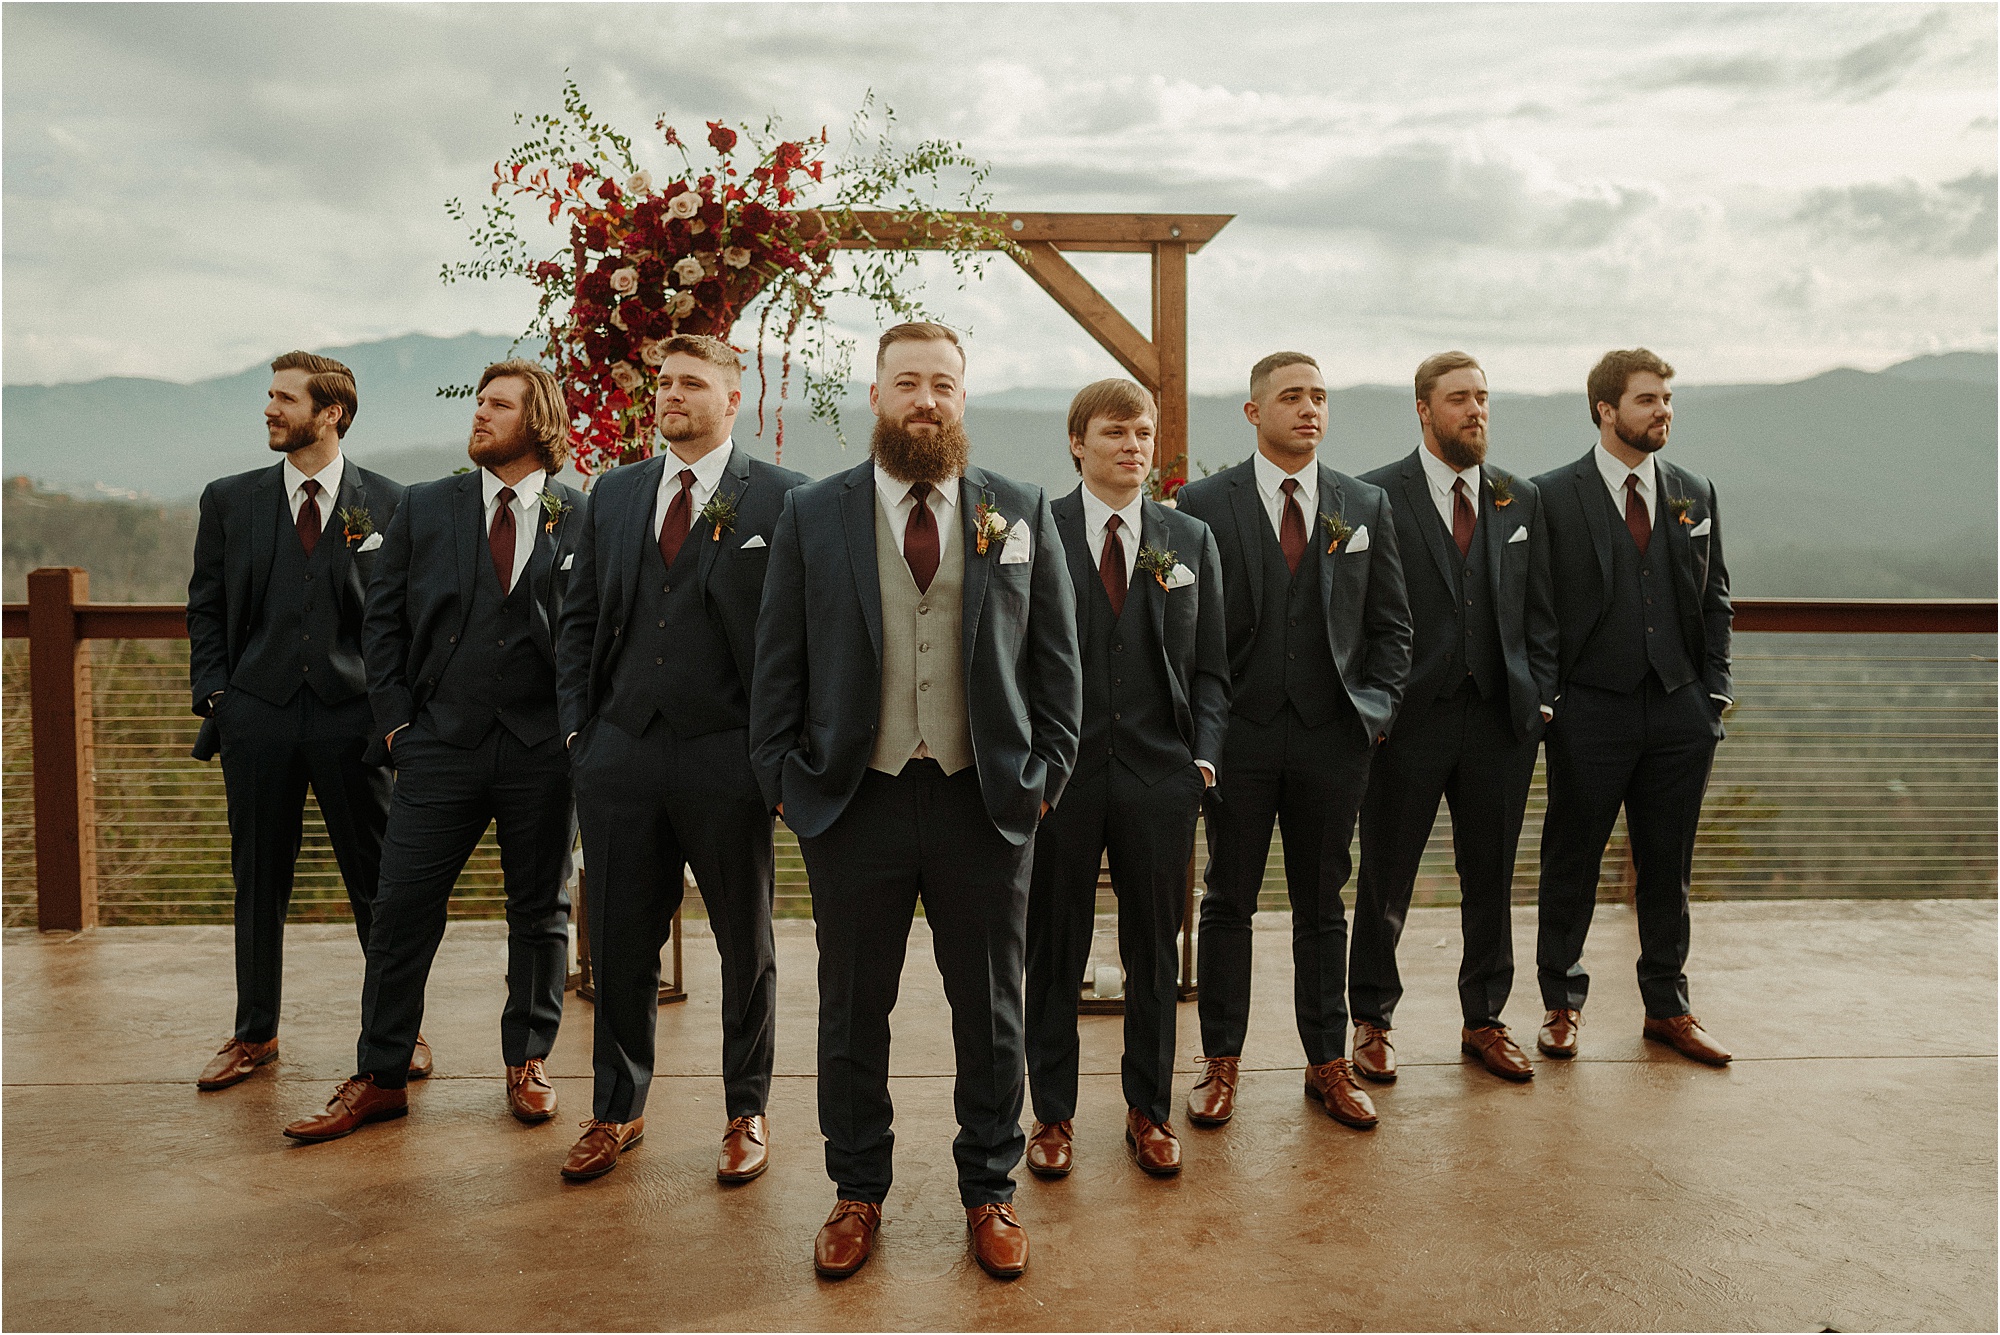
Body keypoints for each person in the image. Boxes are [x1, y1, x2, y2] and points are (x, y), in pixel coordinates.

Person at [750, 322, 1081, 1280]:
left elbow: (1055, 661)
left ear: (963, 399)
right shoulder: (819, 513)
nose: (925, 400)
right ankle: (857, 1191)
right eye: (907, 383)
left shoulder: (1017, 508)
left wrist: (1045, 775)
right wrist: (783, 780)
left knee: (991, 1007)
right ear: (877, 396)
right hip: (856, 802)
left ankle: (991, 1192)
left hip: (986, 799)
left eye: (942, 383)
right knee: (853, 1007)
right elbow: (780, 659)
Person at [282, 360, 585, 1142]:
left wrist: (576, 730)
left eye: (499, 405)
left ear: (538, 419)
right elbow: (380, 624)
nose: (480, 414)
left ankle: (527, 1059)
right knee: (400, 910)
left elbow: (596, 631)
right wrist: (397, 728)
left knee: (541, 913)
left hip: (541, 752)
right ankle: (380, 1073)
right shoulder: (424, 507)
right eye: (479, 402)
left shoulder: (580, 515)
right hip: (437, 747)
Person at [552, 335, 807, 1182]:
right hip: (619, 752)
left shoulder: (783, 499)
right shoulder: (615, 491)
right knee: (619, 940)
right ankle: (615, 1110)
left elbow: (798, 640)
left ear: (733, 402)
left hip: (728, 757)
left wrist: (774, 759)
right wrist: (580, 737)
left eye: (692, 384)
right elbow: (580, 617)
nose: (672, 396)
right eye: (663, 383)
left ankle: (746, 1111)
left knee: (746, 943)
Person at [1173, 351, 1411, 1131]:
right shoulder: (1204, 502)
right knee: (1227, 899)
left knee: (1323, 903)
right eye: (1291, 396)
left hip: (1332, 739)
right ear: (1253, 412)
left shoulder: (1363, 502)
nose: (1309, 408)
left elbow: (1392, 626)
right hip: (1237, 738)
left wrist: (1370, 717)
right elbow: (1183, 628)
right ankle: (1222, 1062)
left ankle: (1326, 1062)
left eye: (1319, 396)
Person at [1023, 379, 1227, 1180]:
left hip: (1158, 776)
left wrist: (1200, 760)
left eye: (1142, 432)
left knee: (1155, 952)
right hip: (1060, 781)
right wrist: (1030, 765)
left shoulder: (1189, 538)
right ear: (1078, 443)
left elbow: (1212, 665)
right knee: (1053, 949)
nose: (1132, 445)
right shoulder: (1034, 531)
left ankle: (1149, 1111)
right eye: (1114, 432)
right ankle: (1053, 1116)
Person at [186, 351, 406, 1092]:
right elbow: (207, 606)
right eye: (270, 396)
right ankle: (255, 1034)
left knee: (377, 885)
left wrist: (392, 712)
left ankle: (394, 1033)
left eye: (285, 398)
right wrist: (220, 699)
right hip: (258, 719)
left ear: (330, 412)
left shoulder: (391, 504)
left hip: (356, 723)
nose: (271, 409)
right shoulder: (228, 499)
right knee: (258, 881)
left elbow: (407, 618)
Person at [1349, 352, 1557, 1086]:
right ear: (1423, 408)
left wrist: (1541, 693)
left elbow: (1542, 608)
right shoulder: (1375, 494)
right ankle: (1372, 1018)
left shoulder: (1518, 497)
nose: (1476, 411)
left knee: (1491, 875)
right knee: (1386, 875)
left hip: (1502, 719)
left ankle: (1486, 1019)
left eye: (1483, 399)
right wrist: (1375, 703)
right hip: (1408, 720)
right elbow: (1356, 614)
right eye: (1460, 399)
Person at [1531, 349, 1735, 1067]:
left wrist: (1714, 692)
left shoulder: (1693, 490)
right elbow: (1537, 606)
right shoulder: (1552, 496)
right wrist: (1550, 701)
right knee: (1572, 859)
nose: (1663, 412)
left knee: (1667, 865)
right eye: (1648, 400)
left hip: (1680, 711)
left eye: (1667, 400)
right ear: (1605, 409)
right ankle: (1561, 1002)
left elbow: (1716, 598)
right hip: (1589, 711)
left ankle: (1668, 1007)